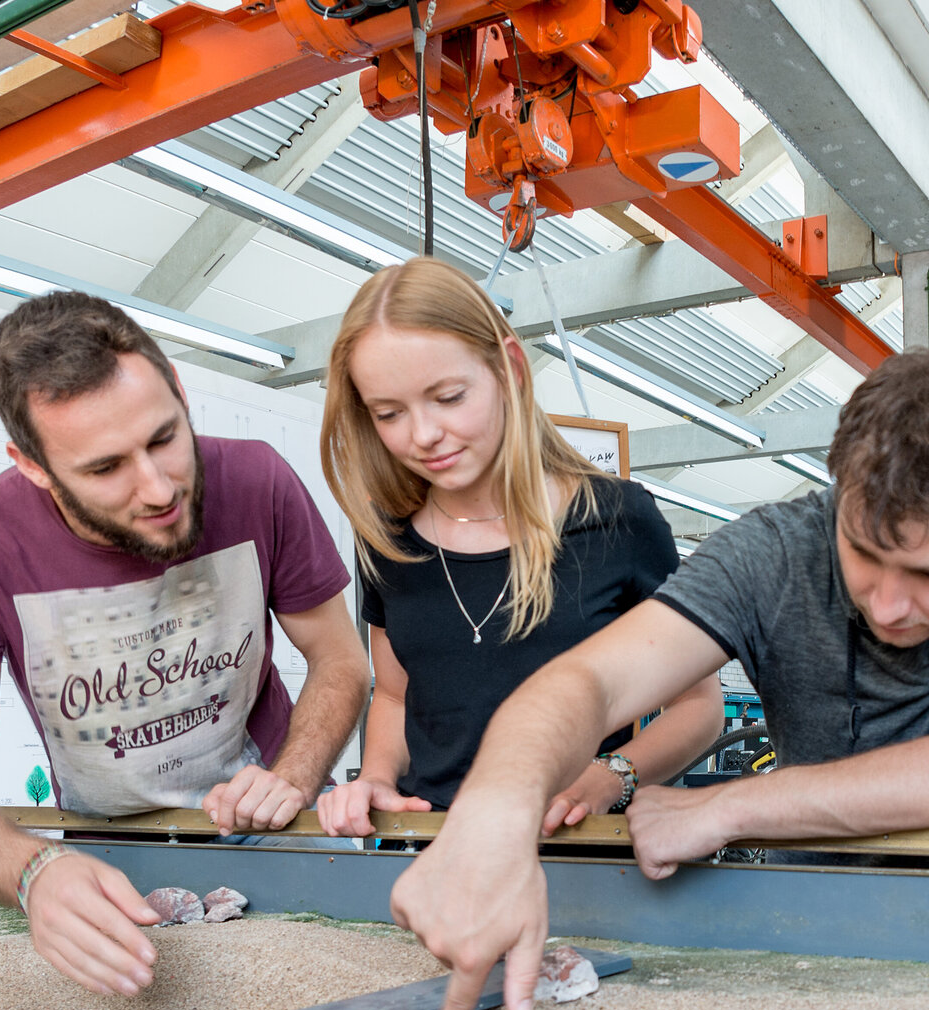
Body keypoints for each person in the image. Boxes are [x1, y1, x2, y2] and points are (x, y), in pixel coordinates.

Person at [390, 350, 929, 1010]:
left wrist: (727, 805)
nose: (888, 605)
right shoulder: (772, 549)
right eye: (862, 552)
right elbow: (588, 681)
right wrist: (495, 815)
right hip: (791, 937)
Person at [0, 291, 368, 997]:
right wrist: (34, 872)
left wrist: (294, 777)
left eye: (164, 437)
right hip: (113, 855)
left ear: (179, 390)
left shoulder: (258, 480)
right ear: (31, 464)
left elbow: (340, 660)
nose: (157, 488)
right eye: (105, 468)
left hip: (283, 831)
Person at [309, 258, 725, 838]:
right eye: (389, 413)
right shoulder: (387, 539)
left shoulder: (617, 520)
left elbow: (699, 707)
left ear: (509, 368)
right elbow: (398, 697)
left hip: (573, 859)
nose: (423, 435)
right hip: (433, 856)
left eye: (449, 397)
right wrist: (377, 775)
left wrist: (611, 779)